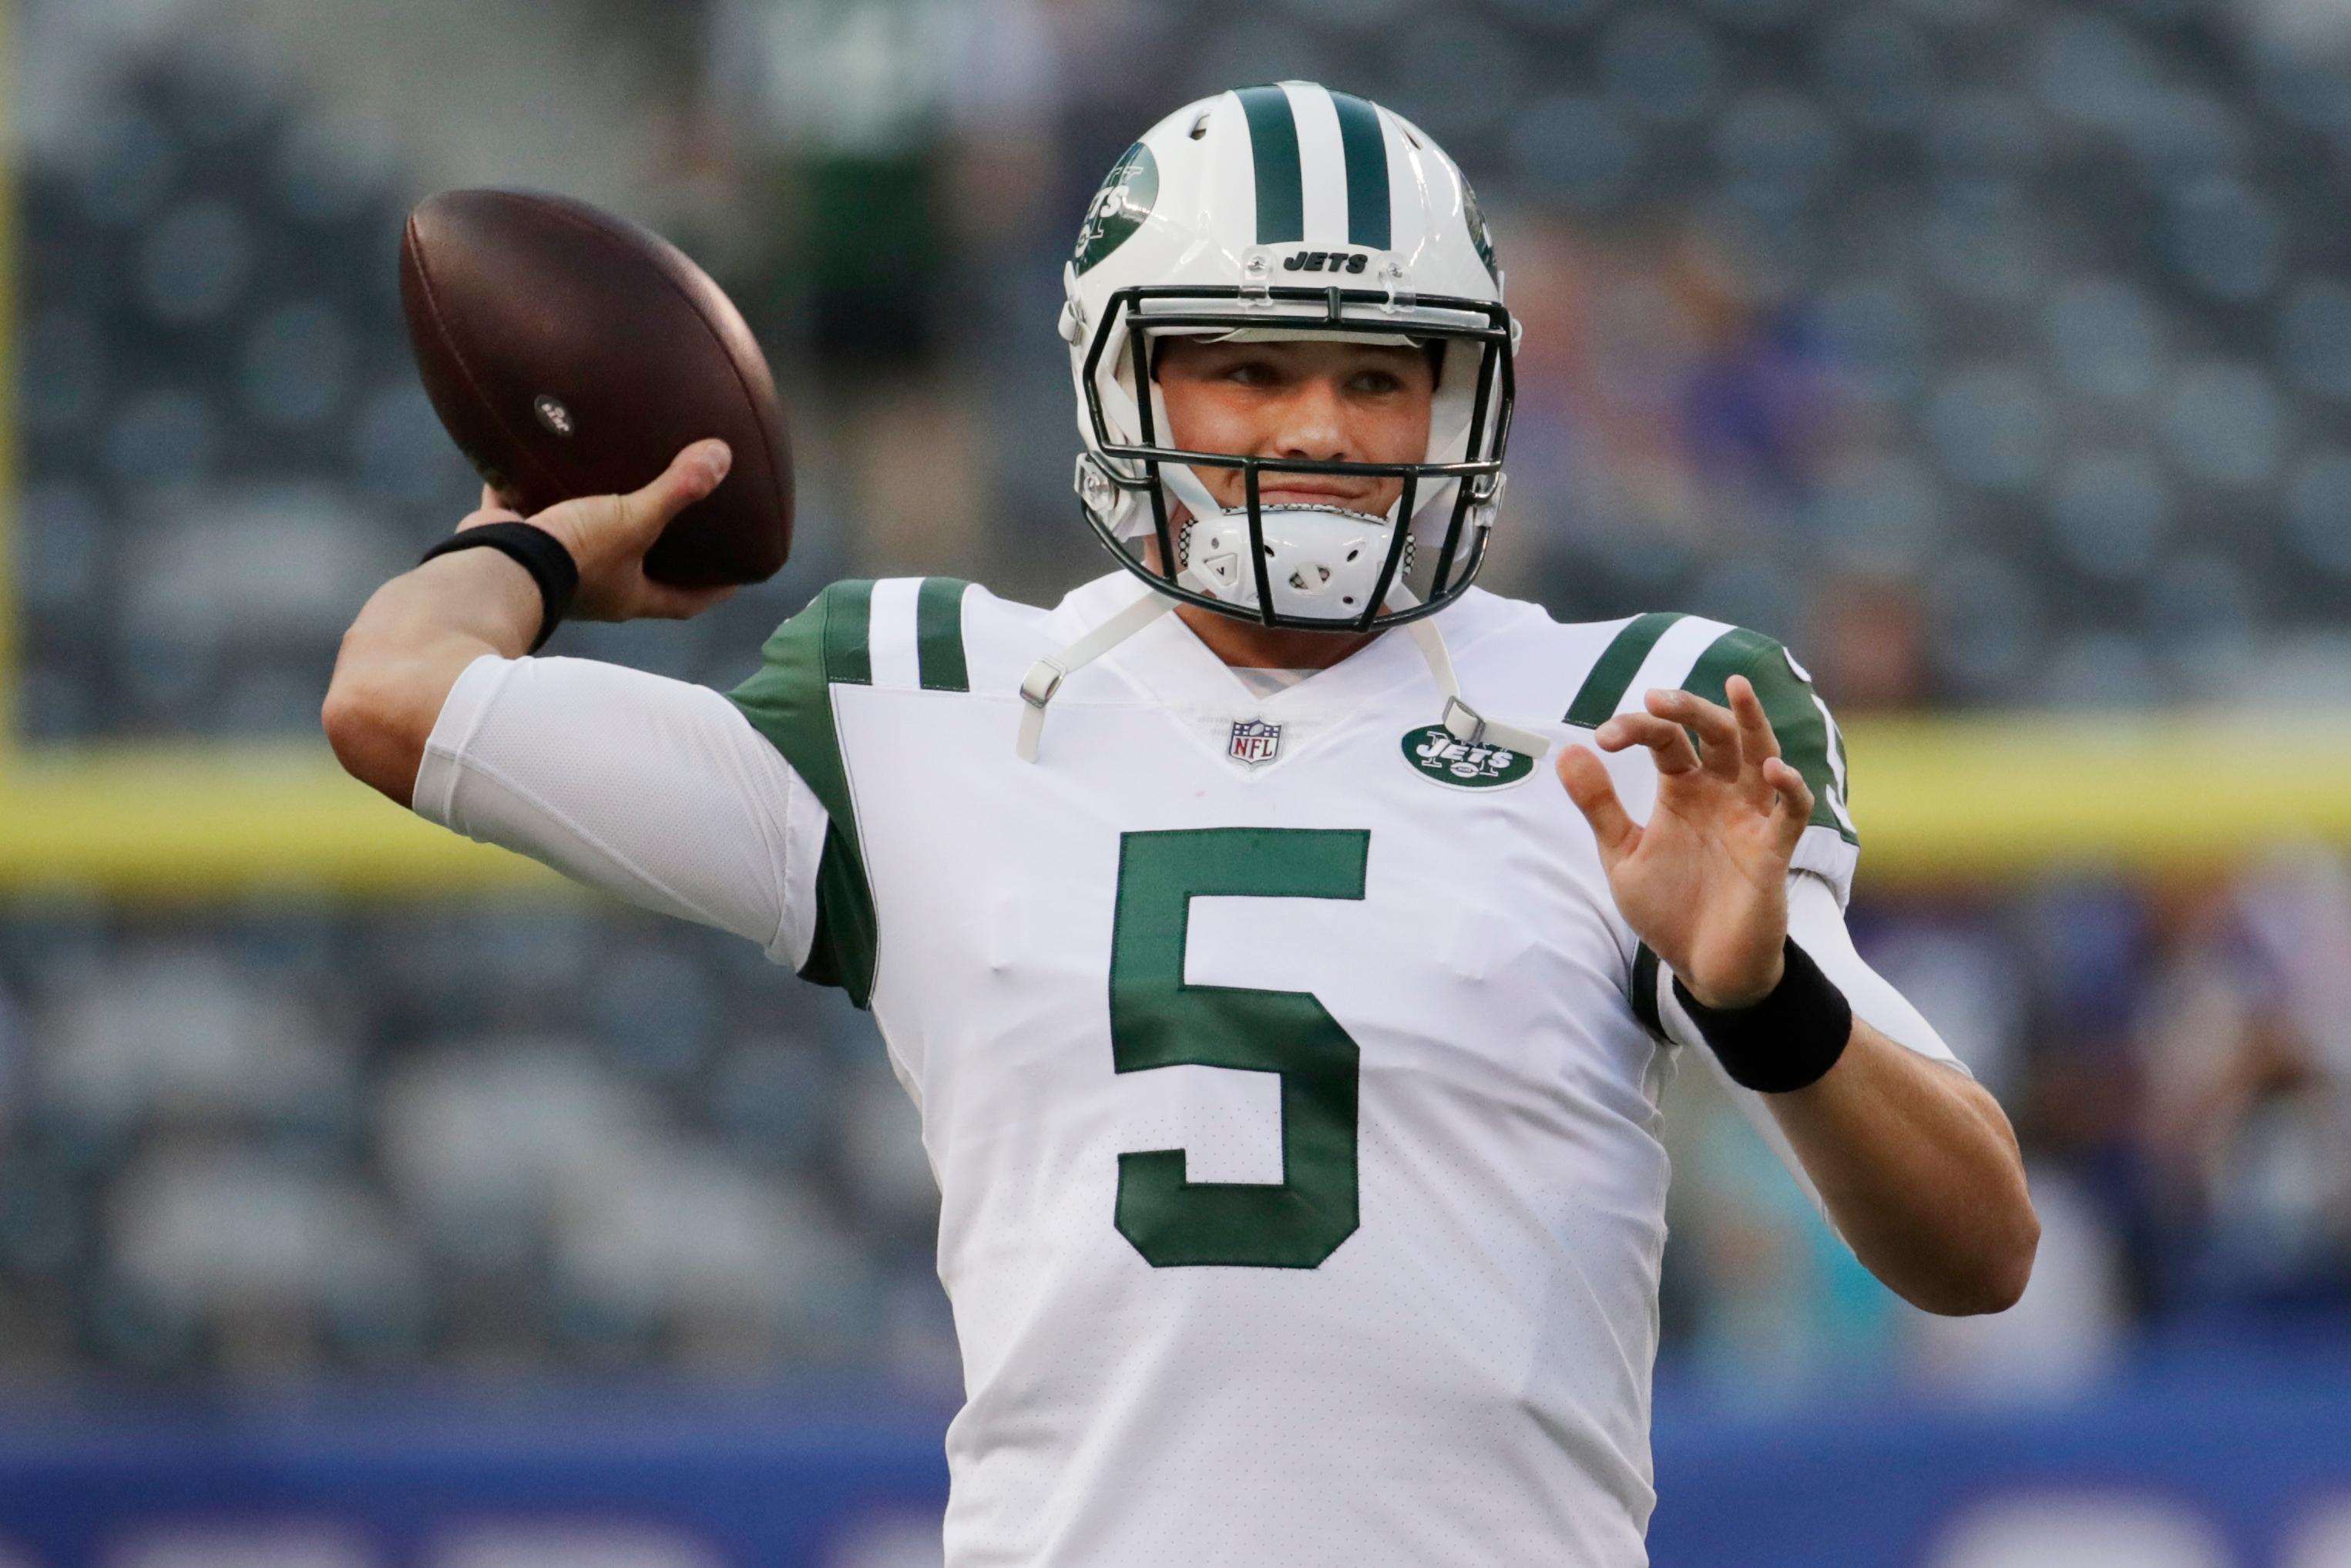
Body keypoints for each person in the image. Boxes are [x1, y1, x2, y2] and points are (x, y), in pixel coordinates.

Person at [324, 82, 2036, 1568]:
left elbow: (1976, 1249)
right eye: (1244, 367)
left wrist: (1761, 1003)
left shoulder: (1635, 712)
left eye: (1381, 375)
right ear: (1120, 378)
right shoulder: (920, 696)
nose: (1316, 427)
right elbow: (397, 703)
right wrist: (538, 542)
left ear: (1463, 401)